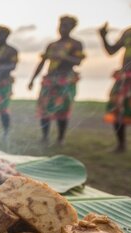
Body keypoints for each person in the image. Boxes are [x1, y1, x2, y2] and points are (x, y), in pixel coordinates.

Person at [28, 16, 85, 146]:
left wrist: (64, 57)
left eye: (66, 26)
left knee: (62, 108)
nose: (62, 28)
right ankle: (44, 137)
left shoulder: (76, 44)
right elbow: (42, 63)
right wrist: (32, 79)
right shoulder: (52, 45)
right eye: (61, 25)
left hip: (65, 79)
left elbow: (78, 61)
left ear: (72, 28)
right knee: (44, 108)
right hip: (50, 79)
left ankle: (60, 138)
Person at [99, 22, 131, 152]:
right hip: (125, 77)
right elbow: (111, 51)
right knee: (117, 109)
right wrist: (103, 36)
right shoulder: (128, 32)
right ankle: (121, 145)